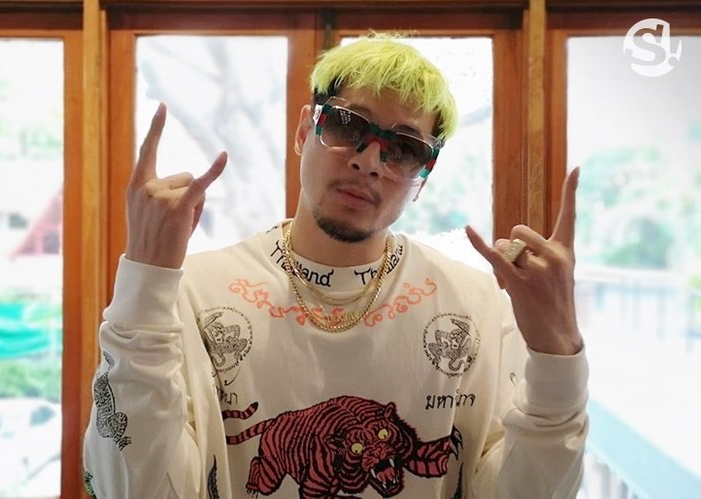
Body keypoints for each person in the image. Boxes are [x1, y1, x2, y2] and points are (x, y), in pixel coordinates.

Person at [83, 33, 588, 499]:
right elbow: (133, 488)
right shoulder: (192, 294)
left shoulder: (476, 308)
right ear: (306, 129)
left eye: (404, 149)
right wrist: (144, 279)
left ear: (422, 179)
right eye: (348, 125)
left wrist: (558, 353)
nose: (369, 161)